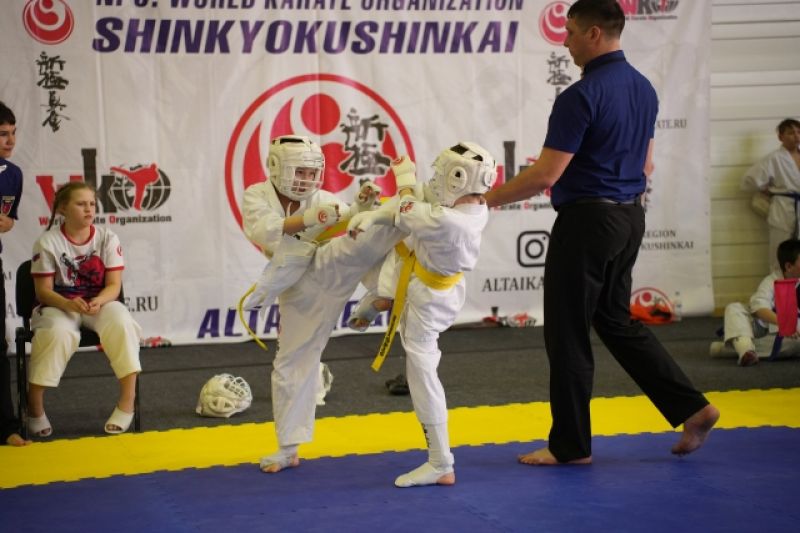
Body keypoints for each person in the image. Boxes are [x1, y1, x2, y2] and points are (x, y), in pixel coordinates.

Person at [483, 0, 719, 466]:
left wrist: (483, 199)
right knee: (614, 320)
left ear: (593, 33)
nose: (564, 41)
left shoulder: (581, 95)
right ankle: (692, 408)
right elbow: (646, 166)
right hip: (629, 218)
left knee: (568, 332)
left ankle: (570, 446)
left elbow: (545, 175)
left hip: (588, 222)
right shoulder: (644, 89)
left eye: (570, 32)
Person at [241, 135, 405, 473]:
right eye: (299, 171)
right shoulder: (257, 195)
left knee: (370, 233)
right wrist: (312, 217)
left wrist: (360, 208)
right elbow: (265, 231)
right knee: (292, 362)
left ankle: (382, 289)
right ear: (276, 167)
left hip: (328, 263)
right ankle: (288, 449)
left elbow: (344, 219)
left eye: (312, 172)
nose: (306, 179)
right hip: (297, 285)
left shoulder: (322, 198)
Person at [347, 142, 496, 487]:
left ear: (457, 179)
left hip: (430, 298)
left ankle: (441, 462)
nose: (435, 181)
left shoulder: (449, 220)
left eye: (442, 175)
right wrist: (375, 213)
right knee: (388, 249)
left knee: (421, 370)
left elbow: (408, 206)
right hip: (423, 277)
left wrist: (402, 176)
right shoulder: (472, 207)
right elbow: (415, 201)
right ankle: (382, 296)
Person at [27, 182, 142, 437]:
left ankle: (127, 403)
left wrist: (99, 301)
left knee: (122, 322)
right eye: (81, 204)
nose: (89, 209)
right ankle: (34, 406)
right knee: (58, 333)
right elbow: (43, 291)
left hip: (97, 302)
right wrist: (68, 304)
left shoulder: (108, 237)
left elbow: (114, 286)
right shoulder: (47, 242)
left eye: (92, 204)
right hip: (58, 304)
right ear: (63, 209)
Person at [711, 239, 800, 366]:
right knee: (734, 308)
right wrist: (784, 323)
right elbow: (759, 308)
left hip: (791, 335)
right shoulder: (771, 281)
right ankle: (745, 349)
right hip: (761, 328)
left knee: (796, 343)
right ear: (788, 266)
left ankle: (740, 349)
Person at [0, 101, 30, 446]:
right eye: (2, 134)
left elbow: (8, 221)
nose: (10, 141)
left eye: (12, 133)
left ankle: (6, 426)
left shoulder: (13, 174)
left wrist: (6, 223)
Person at [741, 118, 800, 273]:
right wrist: (765, 188)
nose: (796, 136)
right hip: (783, 207)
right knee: (780, 250)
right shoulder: (774, 158)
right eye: (790, 132)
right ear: (780, 137)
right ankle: (778, 285)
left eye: (798, 132)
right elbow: (748, 181)